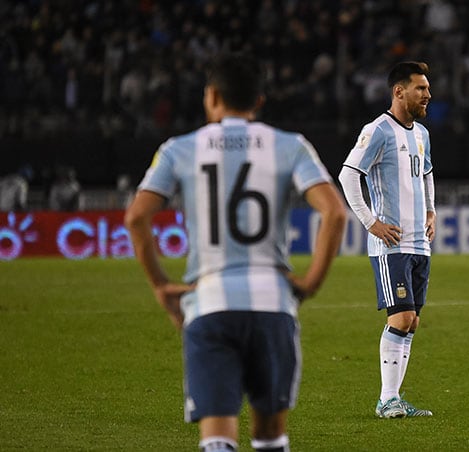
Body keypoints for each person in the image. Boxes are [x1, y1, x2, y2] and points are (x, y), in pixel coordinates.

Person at [125, 53, 347, 452]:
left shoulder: (180, 149)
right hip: (273, 305)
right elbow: (333, 212)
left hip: (209, 305)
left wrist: (161, 285)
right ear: (259, 101)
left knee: (217, 439)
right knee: (270, 437)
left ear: (211, 96)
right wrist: (310, 282)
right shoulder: (290, 146)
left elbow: (137, 218)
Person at [338, 61, 436, 419]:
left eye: (427, 88)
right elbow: (348, 175)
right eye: (421, 89)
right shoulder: (377, 130)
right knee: (402, 316)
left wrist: (432, 211)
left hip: (418, 243)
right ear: (399, 91)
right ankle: (386, 400)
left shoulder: (422, 134)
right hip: (390, 244)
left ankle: (393, 398)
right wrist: (370, 222)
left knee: (412, 321)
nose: (428, 94)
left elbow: (426, 174)